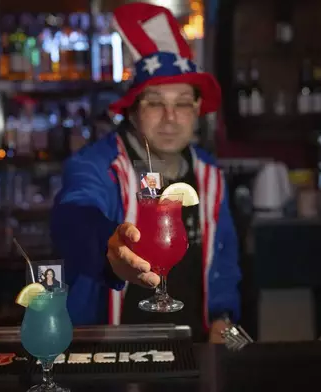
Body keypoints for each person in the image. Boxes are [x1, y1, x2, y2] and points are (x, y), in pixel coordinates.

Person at [50, 3, 241, 343]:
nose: (170, 117)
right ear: (133, 111)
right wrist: (108, 247)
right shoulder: (98, 165)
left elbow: (222, 264)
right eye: (155, 102)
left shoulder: (210, 176)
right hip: (109, 352)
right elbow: (73, 216)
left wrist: (222, 319)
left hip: (191, 349)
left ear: (197, 109)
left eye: (182, 103)